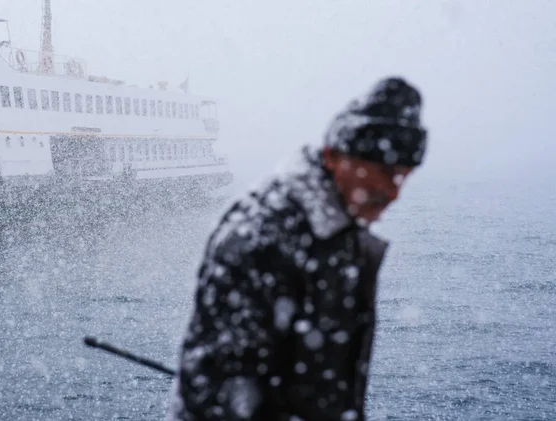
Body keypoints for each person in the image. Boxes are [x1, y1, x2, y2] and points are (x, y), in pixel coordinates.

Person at [166, 77, 428, 421]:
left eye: (403, 176)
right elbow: (218, 394)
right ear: (334, 157)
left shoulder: (337, 225)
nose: (394, 192)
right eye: (382, 172)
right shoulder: (262, 236)